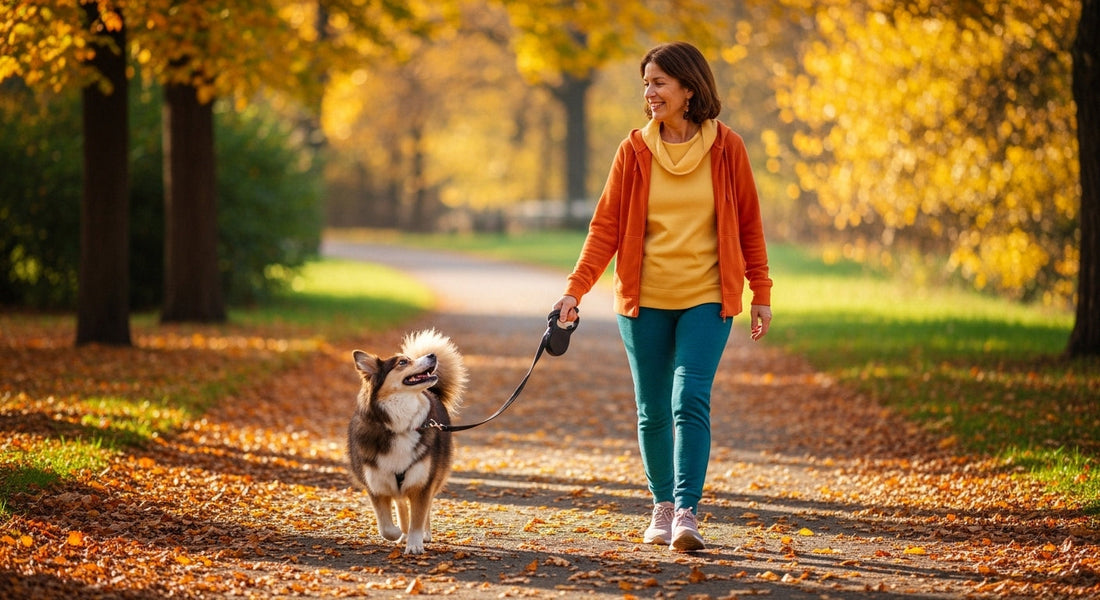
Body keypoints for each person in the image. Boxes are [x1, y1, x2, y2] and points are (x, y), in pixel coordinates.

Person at [552, 41, 773, 552]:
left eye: (658, 83)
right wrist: (574, 290)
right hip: (643, 300)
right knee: (652, 408)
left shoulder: (727, 148)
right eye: (646, 83)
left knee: (688, 399)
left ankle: (687, 512)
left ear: (689, 89)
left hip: (706, 297)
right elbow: (604, 228)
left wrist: (759, 289)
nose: (648, 93)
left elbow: (749, 225)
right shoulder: (633, 151)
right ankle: (662, 506)